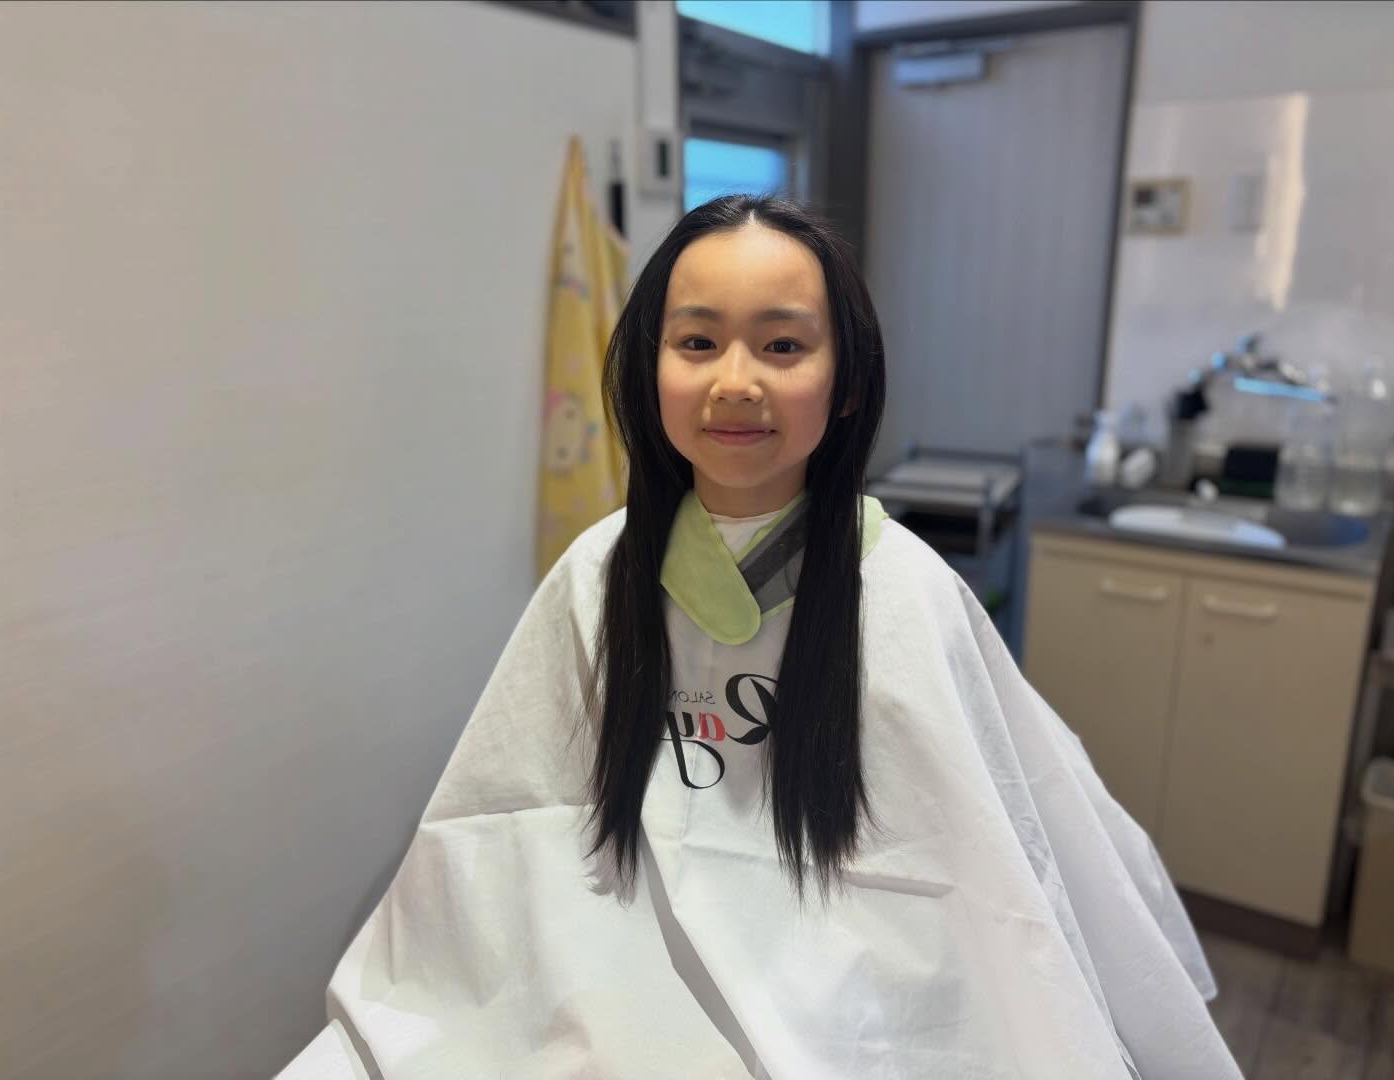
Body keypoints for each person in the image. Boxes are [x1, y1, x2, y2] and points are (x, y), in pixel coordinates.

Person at [278, 196, 1241, 1079]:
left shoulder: (906, 591)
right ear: (650, 367)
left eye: (782, 346)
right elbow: (508, 825)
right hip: (626, 991)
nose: (735, 383)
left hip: (863, 1010)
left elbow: (1001, 854)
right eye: (697, 342)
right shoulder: (596, 574)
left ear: (847, 382)